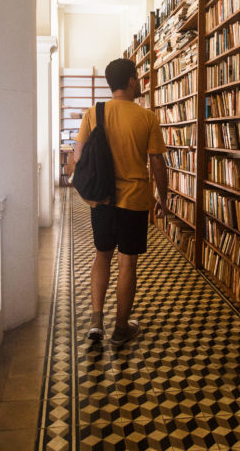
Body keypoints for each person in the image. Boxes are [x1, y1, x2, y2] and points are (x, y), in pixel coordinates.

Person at [74, 58, 168, 345]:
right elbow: (157, 162)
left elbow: (78, 156)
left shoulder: (94, 113)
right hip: (134, 201)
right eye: (137, 77)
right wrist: (163, 198)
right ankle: (121, 328)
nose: (139, 81)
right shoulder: (147, 117)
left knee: (101, 255)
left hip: (102, 200)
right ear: (130, 80)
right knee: (127, 263)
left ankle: (96, 322)